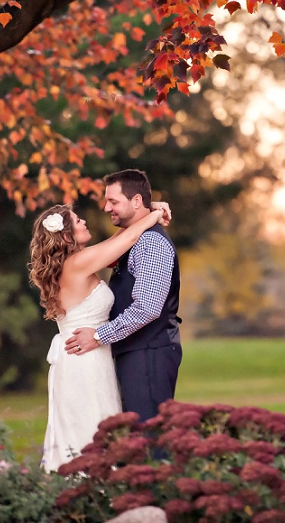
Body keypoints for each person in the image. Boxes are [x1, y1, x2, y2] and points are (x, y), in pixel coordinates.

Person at [28, 201, 168, 472]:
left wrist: (149, 210)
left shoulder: (73, 262)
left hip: (83, 356)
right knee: (92, 428)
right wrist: (157, 213)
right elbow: (128, 237)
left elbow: (119, 238)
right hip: (84, 360)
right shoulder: (78, 263)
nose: (84, 222)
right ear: (67, 235)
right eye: (77, 221)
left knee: (94, 428)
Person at [64, 169, 183, 424]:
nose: (107, 208)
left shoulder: (150, 243)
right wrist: (154, 212)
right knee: (138, 434)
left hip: (149, 353)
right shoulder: (134, 239)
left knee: (150, 434)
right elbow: (113, 247)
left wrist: (98, 335)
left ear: (137, 201)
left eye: (113, 201)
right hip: (135, 351)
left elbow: (147, 308)